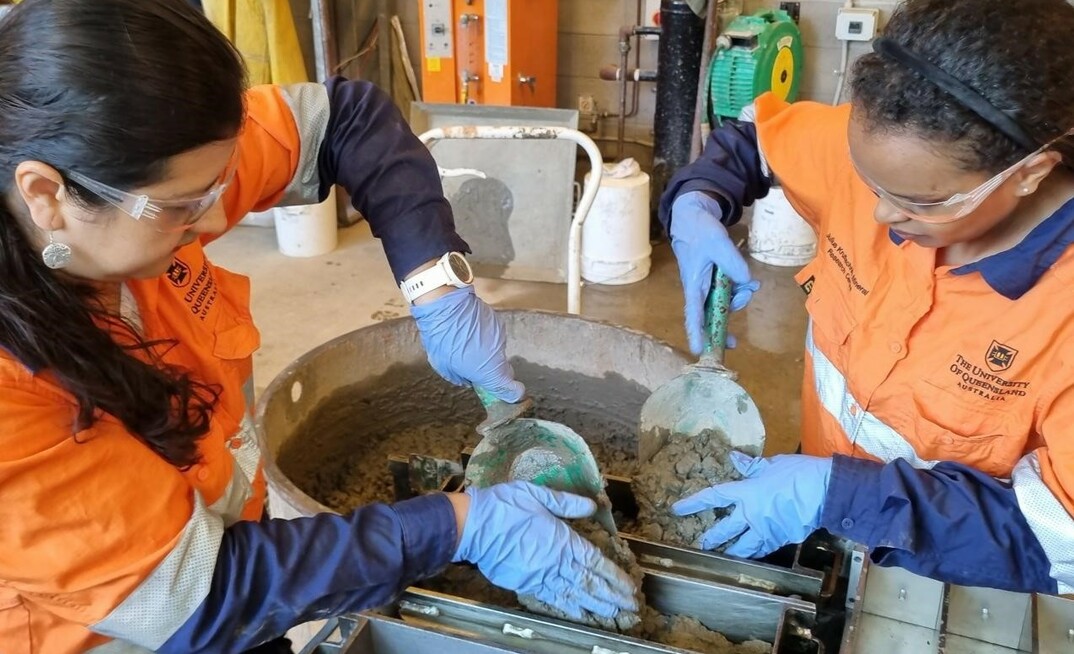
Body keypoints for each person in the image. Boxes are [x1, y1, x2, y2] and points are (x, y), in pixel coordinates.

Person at [0, 1, 637, 652]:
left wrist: (438, 289)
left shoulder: (142, 176)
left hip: (235, 561)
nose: (217, 218)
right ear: (46, 195)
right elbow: (197, 597)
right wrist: (461, 526)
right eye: (183, 207)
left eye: (217, 187)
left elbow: (350, 119)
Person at [663, 0, 1074, 595]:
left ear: (1031, 173)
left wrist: (840, 493)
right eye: (868, 182)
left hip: (948, 578)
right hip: (815, 495)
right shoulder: (898, 148)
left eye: (920, 203)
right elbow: (757, 139)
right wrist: (698, 198)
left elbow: (1060, 534)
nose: (881, 213)